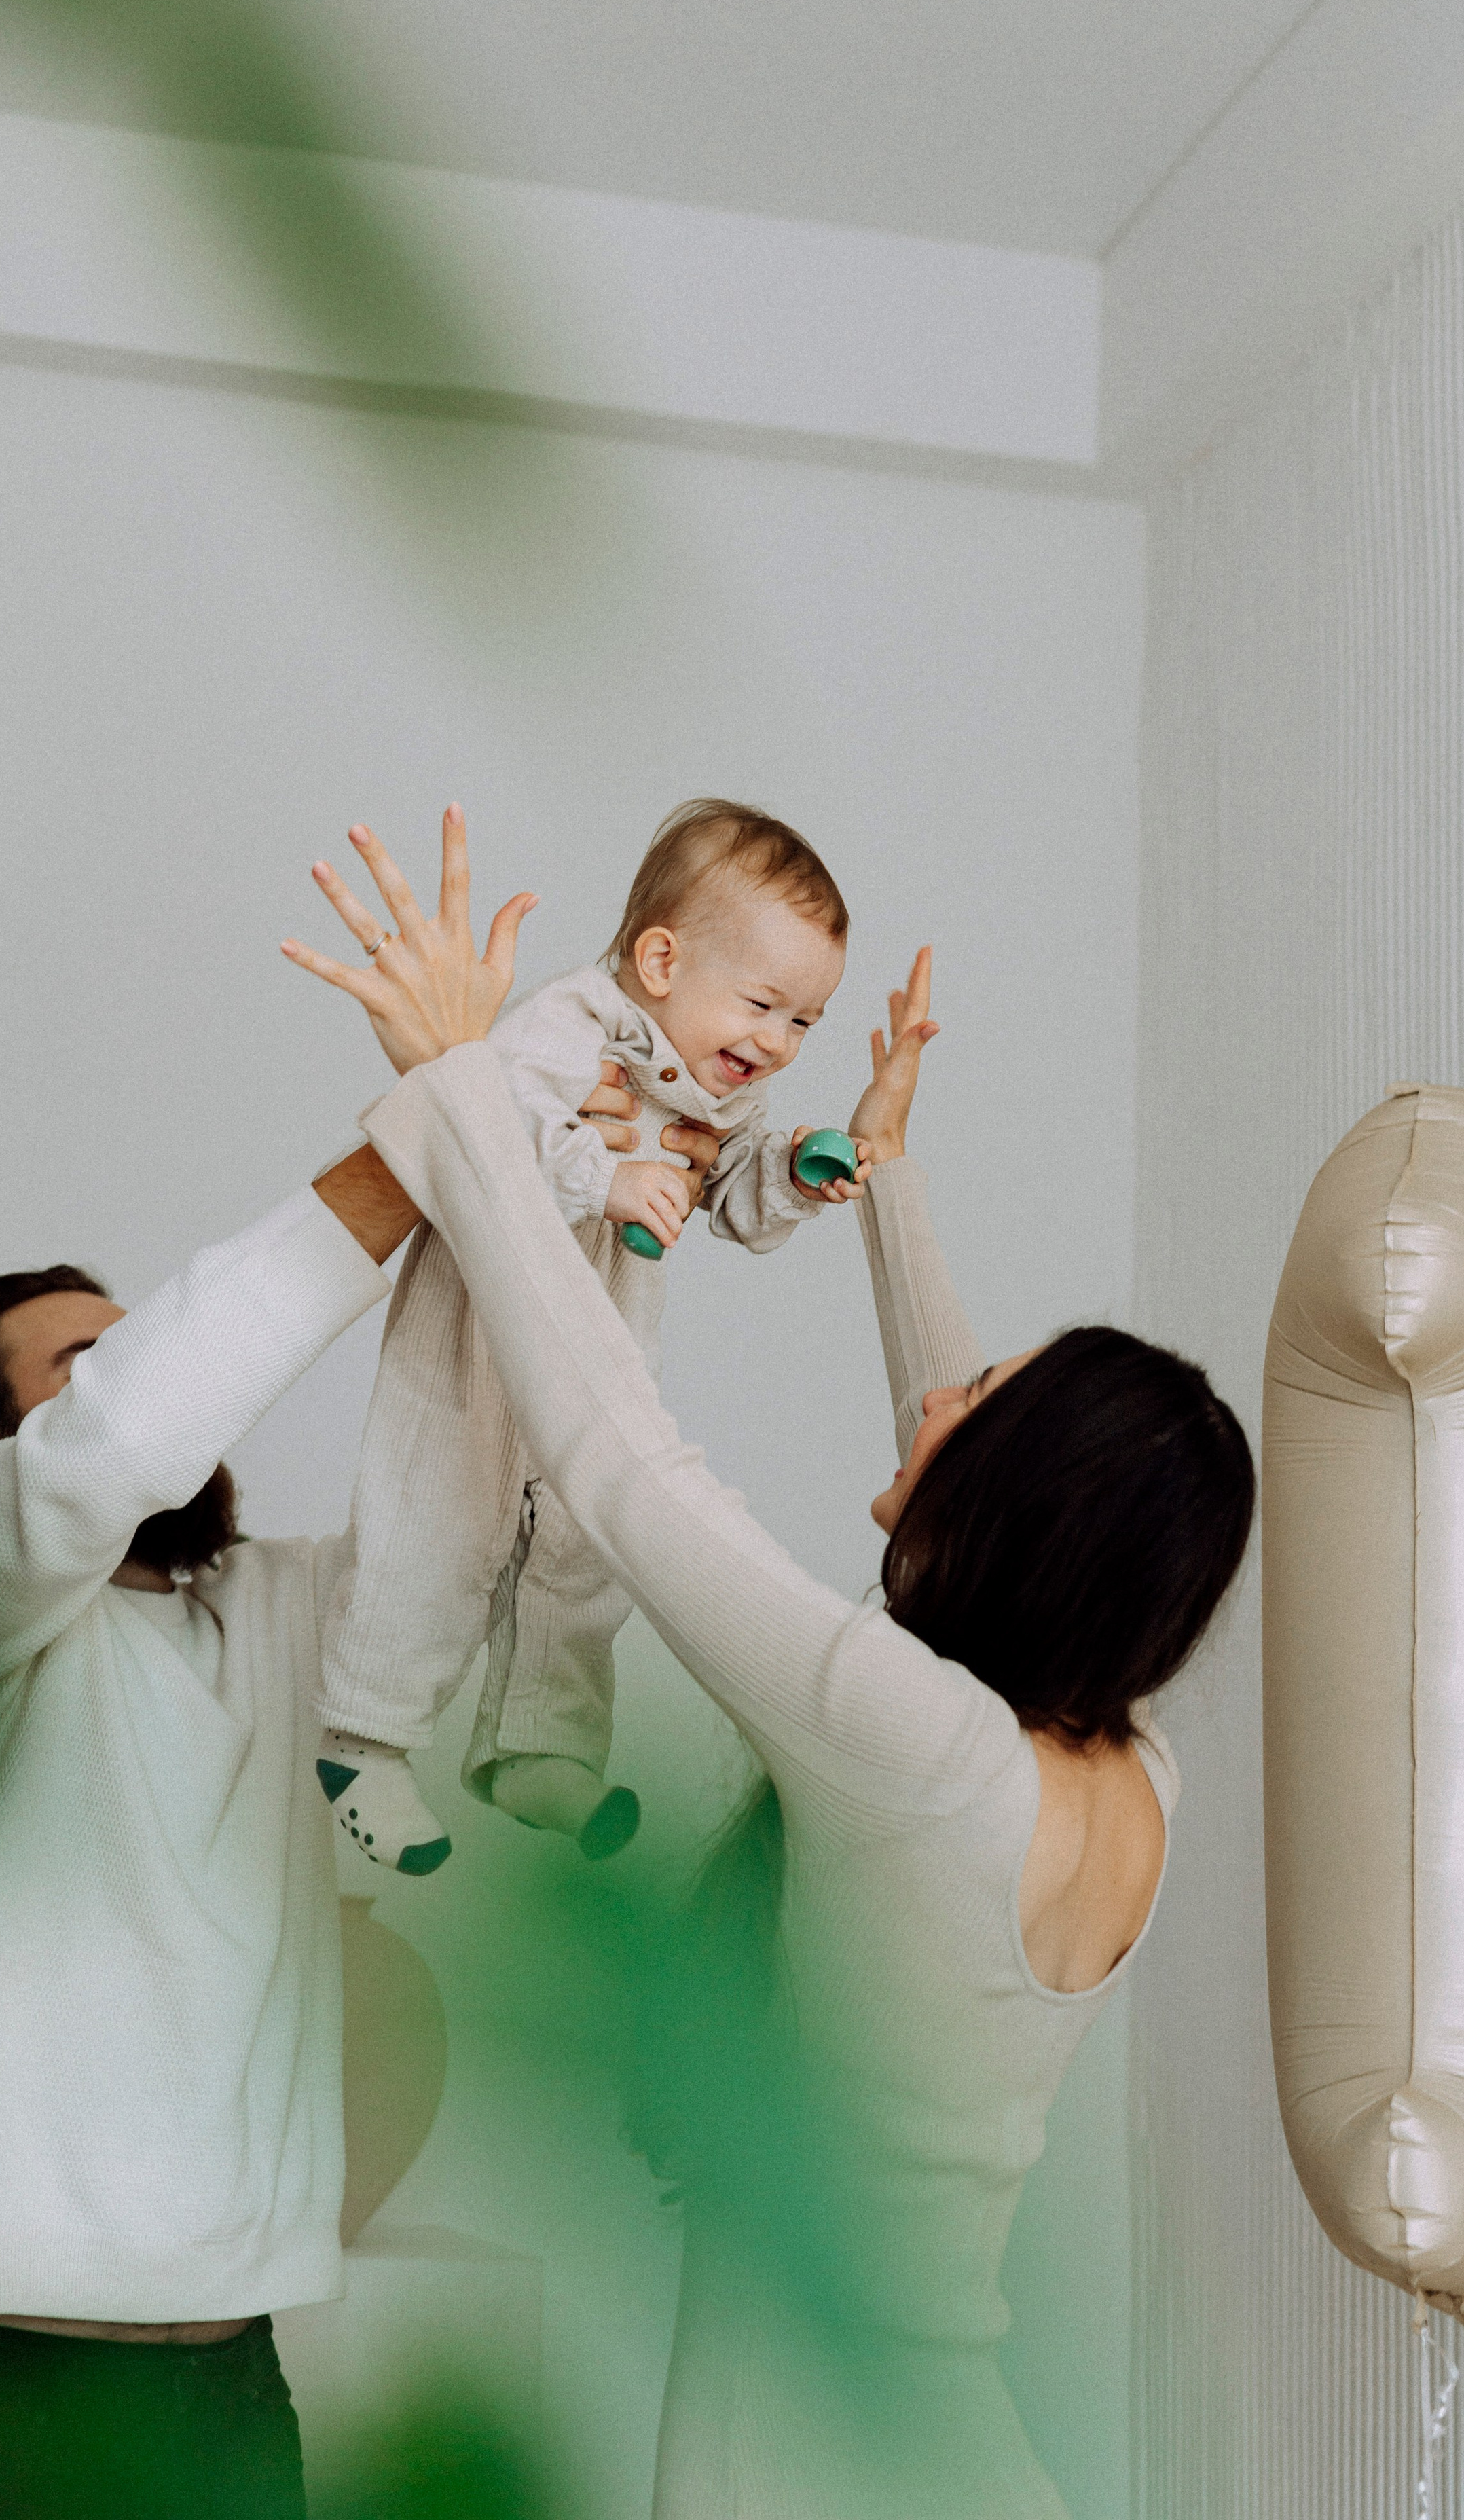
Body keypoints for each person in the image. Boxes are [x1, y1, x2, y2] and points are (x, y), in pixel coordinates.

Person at [292, 820, 1256, 2520]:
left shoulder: (914, 1749)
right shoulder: (1126, 1774)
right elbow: (970, 1464)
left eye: (976, 1402)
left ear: (1011, 1501)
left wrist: (465, 1094)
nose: (936, 1395)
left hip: (800, 2457)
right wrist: (880, 1176)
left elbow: (615, 1459)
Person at [0, 815, 718, 2520]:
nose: (141, 1375)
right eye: (86, 1358)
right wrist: (413, 1140)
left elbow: (471, 1485)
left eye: (136, 1337)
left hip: (225, 2370)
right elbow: (128, 1438)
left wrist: (527, 1140)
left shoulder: (282, 1622)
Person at [289, 799, 866, 1877]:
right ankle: (362, 1739)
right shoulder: (578, 1022)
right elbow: (496, 1123)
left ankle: (538, 1748)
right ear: (660, 958)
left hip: (593, 1351)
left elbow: (728, 1196)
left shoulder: (719, 1091)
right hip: (477, 1340)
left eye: (804, 1023)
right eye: (763, 1005)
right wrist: (609, 1176)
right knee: (439, 1524)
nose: (777, 1043)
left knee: (583, 1547)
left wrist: (792, 1170)